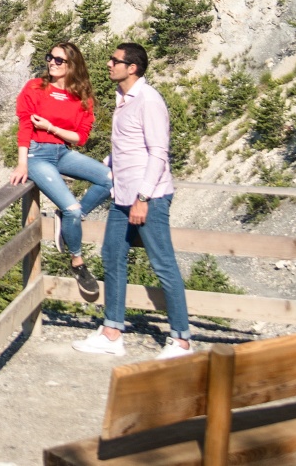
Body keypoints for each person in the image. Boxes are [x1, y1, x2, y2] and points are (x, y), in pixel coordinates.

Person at [74, 41, 192, 359]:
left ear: (132, 67)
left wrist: (142, 198)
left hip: (148, 197)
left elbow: (158, 153)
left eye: (115, 60)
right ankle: (112, 333)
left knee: (163, 264)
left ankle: (181, 340)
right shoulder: (123, 99)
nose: (109, 64)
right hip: (122, 196)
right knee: (111, 256)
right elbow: (123, 150)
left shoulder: (149, 100)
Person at [7, 41, 110, 300]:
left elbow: (80, 138)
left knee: (109, 179)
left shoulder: (82, 97)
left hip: (62, 152)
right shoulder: (35, 87)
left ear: (72, 65)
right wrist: (22, 163)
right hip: (36, 154)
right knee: (72, 207)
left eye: (59, 60)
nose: (51, 62)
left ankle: (68, 221)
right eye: (50, 57)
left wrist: (52, 128)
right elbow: (25, 127)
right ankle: (77, 262)